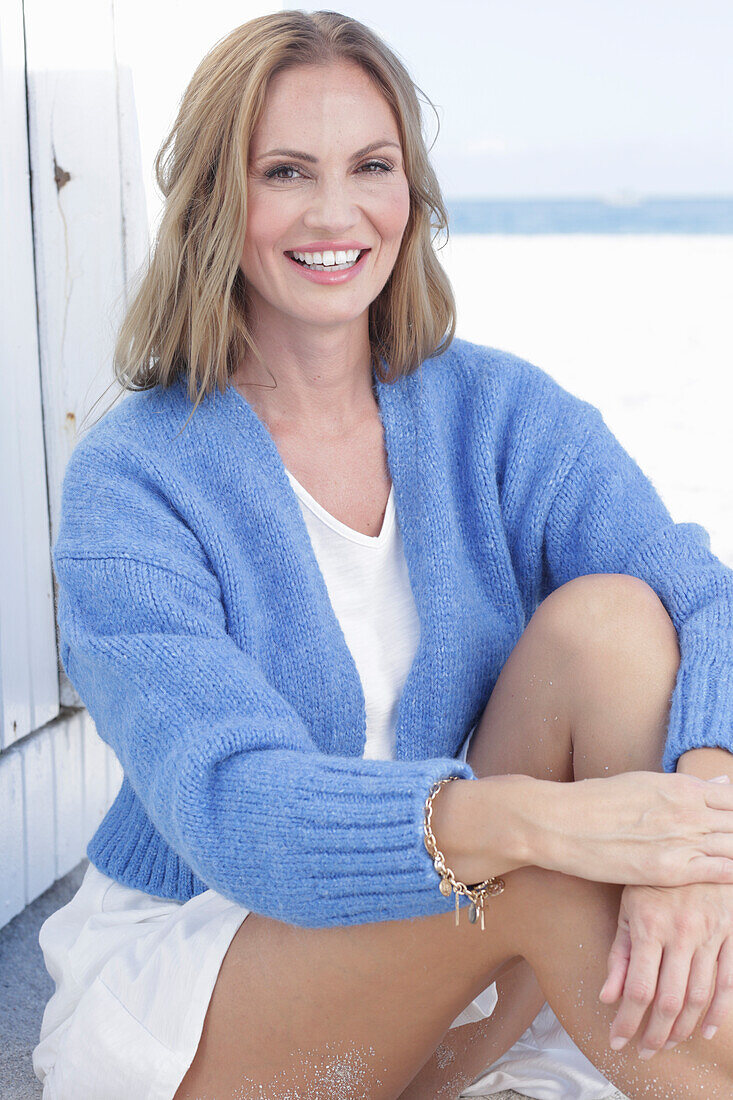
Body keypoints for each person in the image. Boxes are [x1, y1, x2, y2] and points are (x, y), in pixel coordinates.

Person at [32, 10, 733, 1100]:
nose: (335, 211)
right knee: (541, 875)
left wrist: (695, 842)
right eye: (284, 171)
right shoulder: (134, 480)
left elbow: (704, 599)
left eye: (371, 165)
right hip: (222, 967)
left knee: (614, 619)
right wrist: (551, 826)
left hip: (462, 938)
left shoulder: (495, 412)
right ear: (218, 198)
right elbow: (236, 803)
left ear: (412, 192)